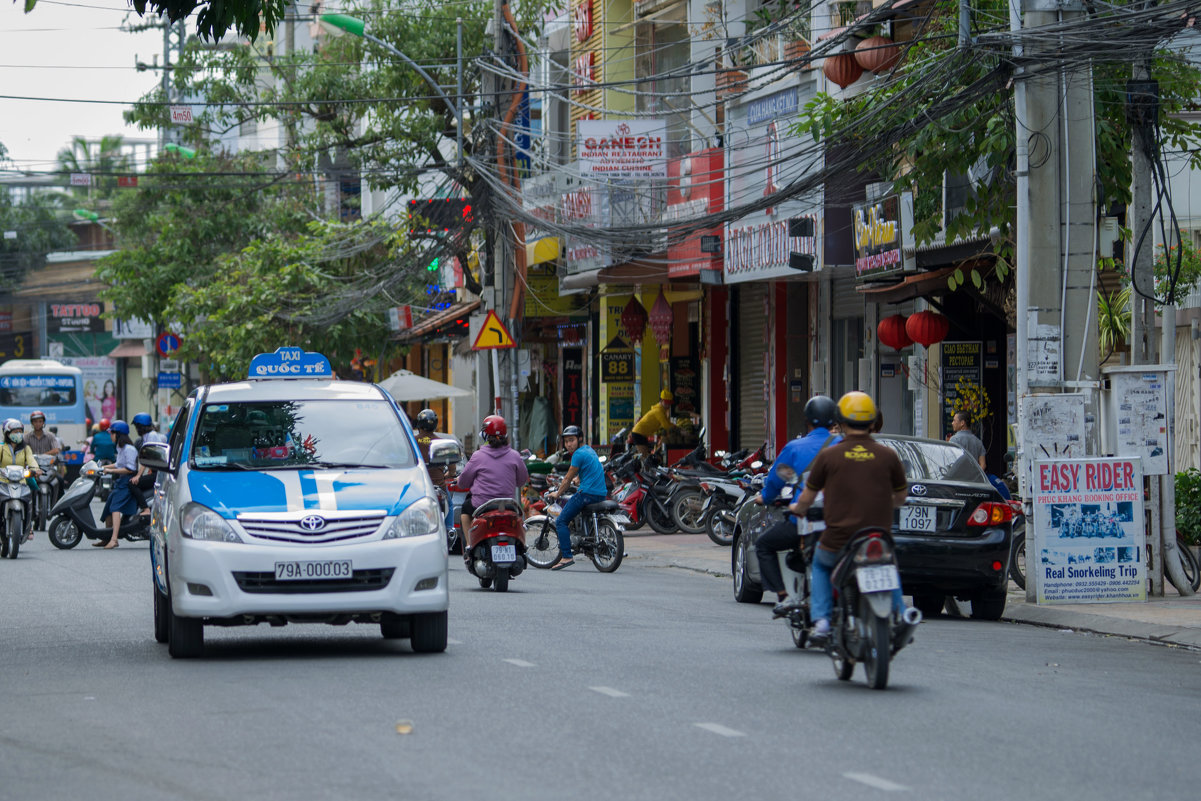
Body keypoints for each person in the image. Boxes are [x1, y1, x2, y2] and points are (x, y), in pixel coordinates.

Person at [790, 391, 909, 643]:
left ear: (840, 421)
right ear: (872, 421)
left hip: (839, 539)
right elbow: (900, 498)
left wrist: (797, 509)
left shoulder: (829, 456)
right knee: (888, 565)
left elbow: (808, 498)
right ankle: (901, 614)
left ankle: (821, 621)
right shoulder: (888, 455)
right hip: (878, 536)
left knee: (820, 565)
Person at [751, 395, 841, 617]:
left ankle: (784, 597)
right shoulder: (845, 445)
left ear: (807, 421)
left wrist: (765, 497)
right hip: (841, 521)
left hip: (804, 521)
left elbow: (774, 481)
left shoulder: (794, 447)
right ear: (834, 421)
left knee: (763, 545)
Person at [456, 415, 528, 540]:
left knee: (465, 510)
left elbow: (462, 483)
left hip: (481, 505)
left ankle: (469, 545)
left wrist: (459, 480)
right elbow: (522, 481)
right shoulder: (515, 456)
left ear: (485, 436)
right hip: (508, 505)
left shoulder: (478, 456)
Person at [547, 425, 607, 570]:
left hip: (587, 494)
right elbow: (588, 468)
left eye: (571, 440)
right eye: (566, 441)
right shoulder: (588, 449)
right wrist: (579, 479)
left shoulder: (577, 455)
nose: (568, 444)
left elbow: (567, 479)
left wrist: (558, 493)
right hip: (601, 493)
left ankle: (567, 556)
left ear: (579, 439)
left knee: (561, 521)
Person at [412, 408, 456, 533]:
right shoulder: (442, 442)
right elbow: (452, 468)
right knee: (450, 504)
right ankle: (449, 529)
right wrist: (448, 474)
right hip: (439, 485)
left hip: (419, 485)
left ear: (419, 424)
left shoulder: (412, 441)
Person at [97, 420, 138, 549]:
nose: (110, 435)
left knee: (115, 508)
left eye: (112, 433)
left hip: (127, 482)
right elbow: (118, 464)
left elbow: (130, 469)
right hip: (121, 481)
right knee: (108, 506)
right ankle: (107, 537)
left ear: (118, 434)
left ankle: (114, 539)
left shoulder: (129, 449)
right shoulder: (120, 447)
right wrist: (103, 467)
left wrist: (110, 470)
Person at [628, 389, 698, 463]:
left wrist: (678, 428)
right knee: (644, 456)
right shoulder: (658, 411)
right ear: (662, 401)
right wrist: (680, 431)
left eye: (669, 404)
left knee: (646, 456)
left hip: (642, 434)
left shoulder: (662, 411)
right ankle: (639, 471)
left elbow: (667, 423)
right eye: (666, 403)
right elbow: (666, 425)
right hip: (638, 433)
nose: (668, 406)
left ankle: (645, 470)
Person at [0, 419, 38, 549]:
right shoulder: (1, 448)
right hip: (3, 482)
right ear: (7, 433)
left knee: (30, 498)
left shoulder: (26, 448)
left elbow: (31, 461)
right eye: (15, 432)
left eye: (20, 431)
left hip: (21, 482)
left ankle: (29, 524)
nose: (18, 434)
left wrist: (35, 469)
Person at [130, 413, 165, 512]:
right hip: (155, 471)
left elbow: (146, 457)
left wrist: (138, 475)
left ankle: (145, 509)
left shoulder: (151, 436)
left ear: (141, 427)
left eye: (137, 427)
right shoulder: (147, 436)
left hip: (159, 473)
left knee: (132, 484)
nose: (136, 430)